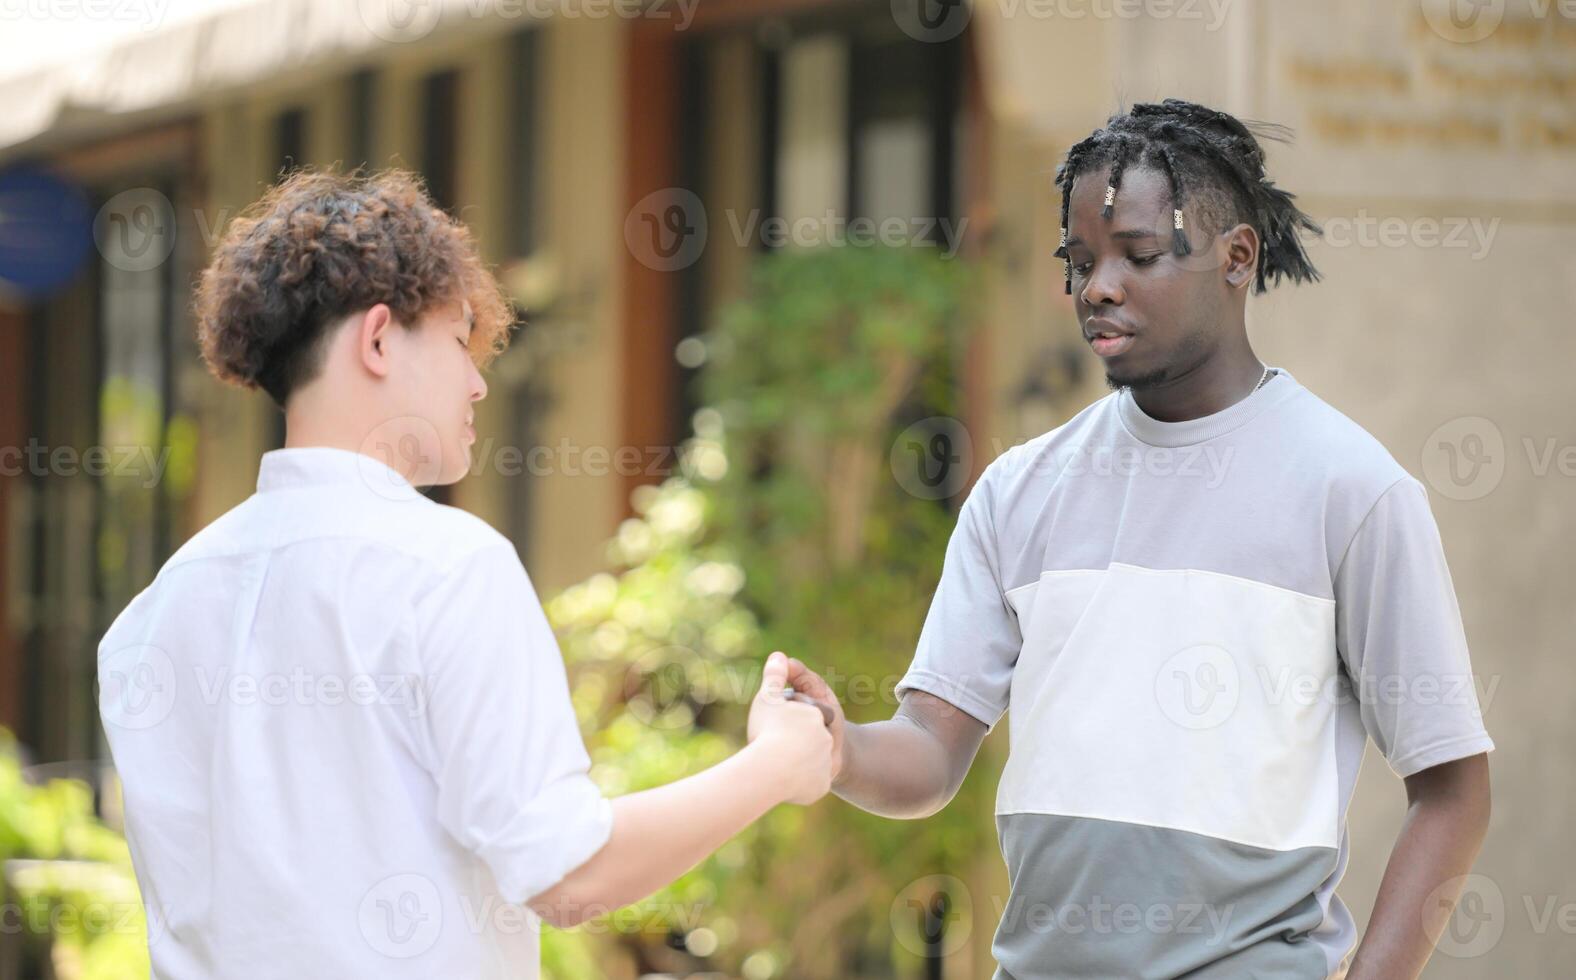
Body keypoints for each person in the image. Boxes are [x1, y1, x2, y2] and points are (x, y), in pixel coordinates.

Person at [788, 98, 1495, 980]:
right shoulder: (1019, 491)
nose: (1098, 287)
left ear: (1239, 257)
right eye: (1079, 261)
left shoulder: (1352, 490)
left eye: (1140, 254)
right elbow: (930, 752)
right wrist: (836, 745)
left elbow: (1453, 790)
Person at [95, 168, 835, 979]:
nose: (479, 380)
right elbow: (569, 873)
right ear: (378, 339)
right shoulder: (446, 566)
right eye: (457, 340)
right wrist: (777, 765)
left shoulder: (153, 610)